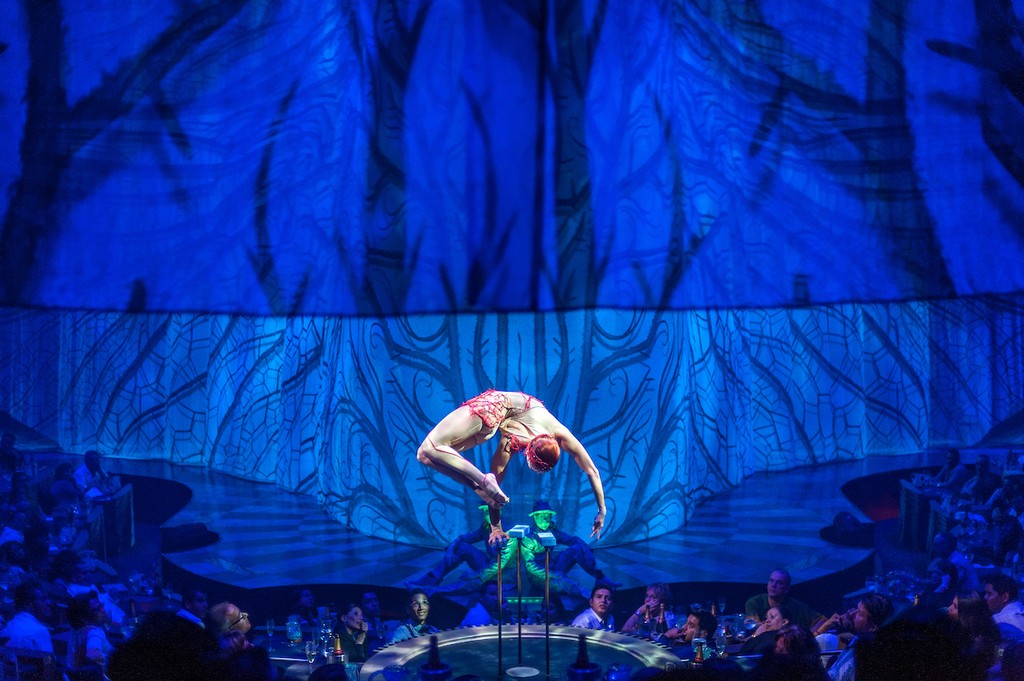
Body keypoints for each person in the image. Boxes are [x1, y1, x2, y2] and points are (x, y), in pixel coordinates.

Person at [417, 389, 607, 544]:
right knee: (429, 451)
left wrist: (496, 528)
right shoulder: (519, 440)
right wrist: (601, 510)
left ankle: (479, 485)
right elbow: (591, 470)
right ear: (529, 453)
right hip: (489, 409)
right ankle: (481, 480)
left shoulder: (555, 432)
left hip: (489, 417)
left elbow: (495, 493)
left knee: (427, 454)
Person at [827, 593, 894, 681]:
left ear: (873, 627)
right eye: (856, 609)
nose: (852, 614)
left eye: (859, 613)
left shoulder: (864, 657)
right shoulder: (860, 637)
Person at [745, 569, 823, 630]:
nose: (773, 585)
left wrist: (809, 637)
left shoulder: (796, 606)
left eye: (779, 583)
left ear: (787, 589)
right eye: (771, 581)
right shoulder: (755, 602)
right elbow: (752, 625)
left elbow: (821, 620)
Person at [66, 590, 113, 671]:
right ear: (83, 618)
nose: (103, 610)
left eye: (101, 606)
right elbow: (92, 655)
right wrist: (116, 662)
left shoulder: (76, 631)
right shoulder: (95, 632)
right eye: (97, 609)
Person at [1, 581, 53, 652]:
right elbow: (48, 662)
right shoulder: (39, 632)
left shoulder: (6, 628)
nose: (49, 603)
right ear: (29, 604)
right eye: (43, 599)